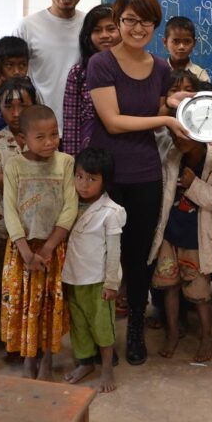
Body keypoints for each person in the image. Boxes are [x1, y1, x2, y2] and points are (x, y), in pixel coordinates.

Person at [87, 0, 186, 365]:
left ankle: (135, 330)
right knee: (103, 255)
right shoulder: (102, 64)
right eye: (129, 19)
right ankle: (101, 334)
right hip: (107, 174)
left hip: (147, 172)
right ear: (118, 22)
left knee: (139, 255)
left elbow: (156, 104)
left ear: (155, 26)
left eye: (146, 21)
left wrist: (173, 103)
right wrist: (164, 118)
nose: (137, 27)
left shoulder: (161, 68)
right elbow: (112, 122)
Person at [150, 98, 212, 363]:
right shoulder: (171, 155)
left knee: (200, 295)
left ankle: (206, 337)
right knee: (170, 287)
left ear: (201, 136)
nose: (177, 140)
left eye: (184, 136)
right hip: (170, 236)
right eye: (174, 134)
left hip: (196, 241)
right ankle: (173, 333)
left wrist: (194, 185)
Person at [1, 105, 77, 380]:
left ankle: (47, 358)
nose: (49, 142)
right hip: (22, 252)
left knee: (48, 306)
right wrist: (25, 251)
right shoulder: (14, 166)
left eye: (54, 135)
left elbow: (70, 207)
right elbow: (10, 210)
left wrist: (48, 247)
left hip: (52, 250)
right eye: (41, 137)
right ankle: (28, 358)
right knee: (24, 305)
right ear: (23, 139)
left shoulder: (65, 162)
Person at [62, 148, 126, 392]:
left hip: (98, 281)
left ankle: (107, 366)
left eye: (92, 179)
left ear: (105, 181)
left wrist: (112, 283)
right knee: (79, 324)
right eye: (79, 176)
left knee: (103, 326)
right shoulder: (69, 204)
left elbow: (114, 250)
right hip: (73, 277)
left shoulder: (111, 212)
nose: (83, 184)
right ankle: (85, 362)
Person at [13, 0, 90, 131]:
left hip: (80, 126)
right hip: (38, 126)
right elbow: (11, 77)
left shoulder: (90, 26)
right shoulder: (27, 26)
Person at [0, 77, 37, 314]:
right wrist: (31, 176)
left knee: (33, 289)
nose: (16, 113)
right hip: (3, 228)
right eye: (8, 106)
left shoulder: (43, 138)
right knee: (4, 287)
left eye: (23, 106)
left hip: (37, 229)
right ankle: (9, 341)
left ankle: (31, 340)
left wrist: (8, 177)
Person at [62, 4, 120, 157]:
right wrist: (73, 162)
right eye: (97, 30)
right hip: (90, 149)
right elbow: (71, 123)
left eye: (111, 28)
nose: (104, 35)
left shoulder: (133, 69)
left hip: (126, 146)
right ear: (88, 36)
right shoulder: (79, 73)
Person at [162, 16, 210, 83]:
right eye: (176, 41)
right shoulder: (158, 72)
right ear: (165, 42)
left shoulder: (200, 75)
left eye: (187, 41)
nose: (181, 46)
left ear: (194, 43)